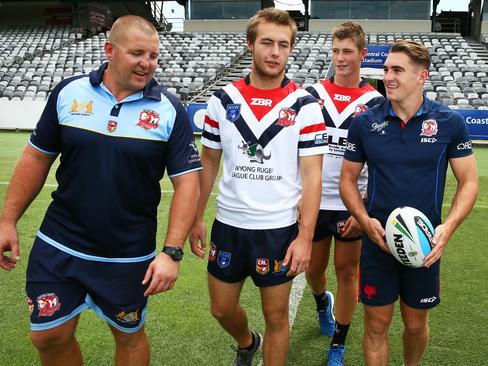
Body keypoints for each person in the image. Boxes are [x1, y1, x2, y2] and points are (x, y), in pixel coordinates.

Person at [0, 15, 201, 366]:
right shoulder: (68, 92)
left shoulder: (169, 109)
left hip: (126, 254)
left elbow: (187, 183)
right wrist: (7, 220)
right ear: (109, 50)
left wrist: (171, 252)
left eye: (153, 56)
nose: (147, 63)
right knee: (47, 336)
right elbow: (36, 158)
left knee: (128, 336)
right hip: (60, 244)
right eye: (137, 53)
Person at [188, 8, 327, 366]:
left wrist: (305, 236)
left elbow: (313, 175)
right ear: (250, 44)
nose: (275, 52)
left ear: (290, 50)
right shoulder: (223, 100)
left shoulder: (306, 106)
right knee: (221, 310)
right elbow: (208, 162)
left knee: (277, 318)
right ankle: (248, 342)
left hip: (278, 230)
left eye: (283, 44)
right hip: (229, 225)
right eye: (267, 42)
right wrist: (195, 216)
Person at [339, 40, 478, 366]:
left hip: (424, 244)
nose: (388, 76)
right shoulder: (365, 124)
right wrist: (362, 217)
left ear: (421, 76)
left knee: (416, 325)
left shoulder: (449, 123)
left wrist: (449, 227)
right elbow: (347, 180)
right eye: (386, 69)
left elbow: (469, 181)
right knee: (376, 324)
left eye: (397, 70)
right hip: (377, 244)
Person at [303, 21, 384, 366]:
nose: (340, 58)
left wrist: (362, 209)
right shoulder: (311, 94)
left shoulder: (377, 103)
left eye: (347, 51)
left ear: (362, 54)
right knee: (313, 269)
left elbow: (381, 161)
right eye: (335, 51)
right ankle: (323, 301)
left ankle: (339, 340)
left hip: (351, 203)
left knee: (347, 271)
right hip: (314, 201)